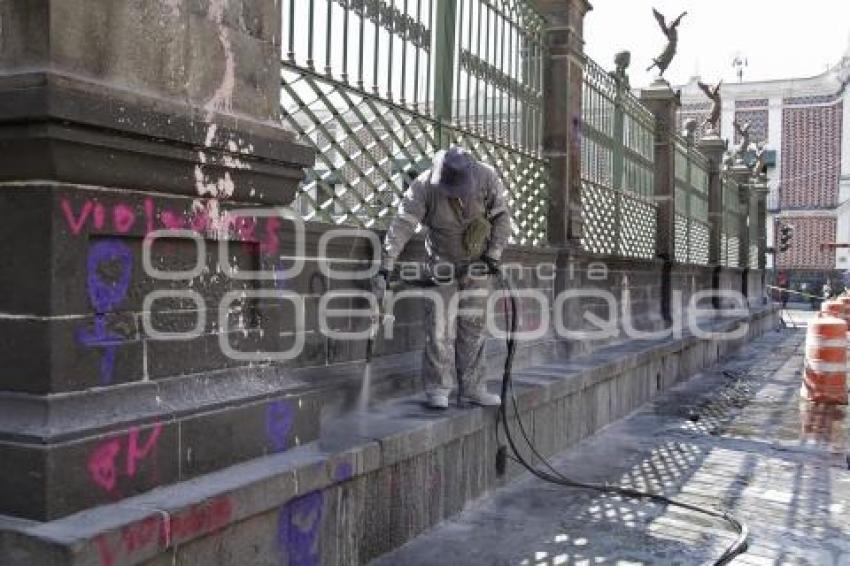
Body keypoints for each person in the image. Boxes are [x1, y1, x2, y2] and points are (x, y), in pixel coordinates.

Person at [374, 147, 512, 409]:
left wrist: (493, 255)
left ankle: (472, 388)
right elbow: (402, 224)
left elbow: (502, 219)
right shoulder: (424, 186)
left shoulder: (487, 177)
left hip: (478, 265)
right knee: (439, 328)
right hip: (441, 265)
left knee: (473, 327)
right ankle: (438, 388)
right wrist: (386, 266)